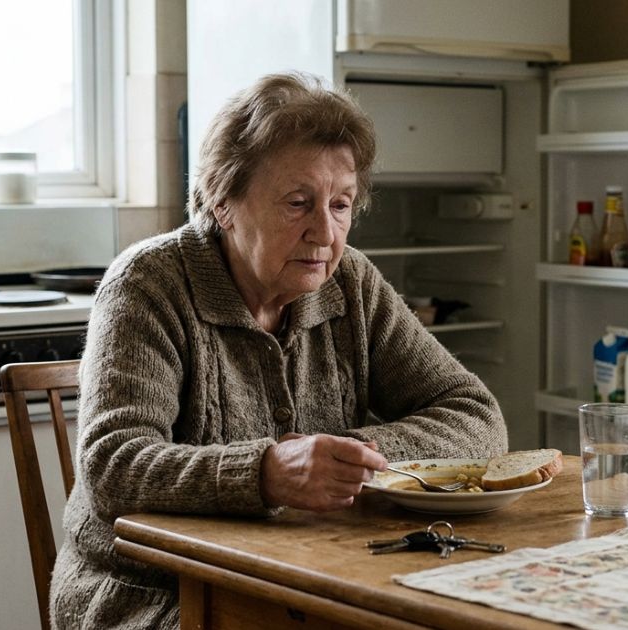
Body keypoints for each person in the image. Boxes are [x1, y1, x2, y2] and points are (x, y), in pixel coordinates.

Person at [50, 71, 507, 629]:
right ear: (224, 202)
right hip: (152, 592)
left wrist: (349, 454)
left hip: (306, 572)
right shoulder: (148, 284)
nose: (325, 232)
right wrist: (267, 473)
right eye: (298, 203)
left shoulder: (351, 283)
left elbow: (476, 415)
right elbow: (112, 470)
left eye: (341, 205)